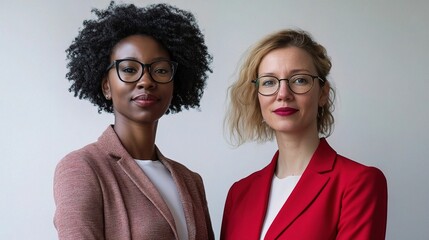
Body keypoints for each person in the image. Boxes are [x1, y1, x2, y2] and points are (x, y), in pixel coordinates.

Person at [53, 2, 214, 239]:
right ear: (107, 86)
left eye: (160, 70)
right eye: (129, 69)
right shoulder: (82, 168)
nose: (146, 81)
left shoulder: (191, 181)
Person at [221, 29, 387, 240]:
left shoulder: (358, 183)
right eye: (269, 82)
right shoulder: (239, 193)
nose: (283, 94)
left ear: (323, 93)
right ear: (258, 97)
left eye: (299, 80)